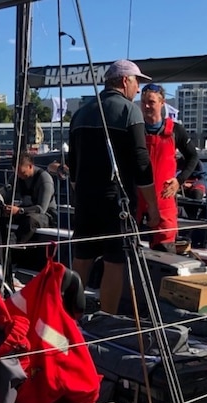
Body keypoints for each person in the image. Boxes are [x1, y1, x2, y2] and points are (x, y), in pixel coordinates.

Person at [67, 59, 158, 314]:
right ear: (125, 81)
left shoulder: (80, 113)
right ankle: (106, 319)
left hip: (85, 199)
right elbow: (142, 162)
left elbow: (72, 163)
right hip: (115, 200)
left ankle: (67, 318)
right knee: (114, 262)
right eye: (137, 81)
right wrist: (151, 205)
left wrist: (81, 191)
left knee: (82, 259)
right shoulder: (130, 112)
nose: (138, 89)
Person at [138, 82, 199, 252]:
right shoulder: (136, 130)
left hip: (164, 199)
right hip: (138, 199)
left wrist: (179, 180)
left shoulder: (175, 130)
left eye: (151, 102)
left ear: (162, 102)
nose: (147, 106)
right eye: (143, 102)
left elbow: (193, 156)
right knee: (127, 254)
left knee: (164, 252)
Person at [2, 151, 57, 244]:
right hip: (25, 210)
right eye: (16, 173)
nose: (19, 176)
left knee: (30, 220)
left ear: (30, 166)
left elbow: (41, 208)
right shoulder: (16, 177)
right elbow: (7, 195)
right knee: (1, 216)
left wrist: (19, 210)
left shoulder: (44, 179)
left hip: (46, 215)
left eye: (22, 172)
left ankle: (16, 243)